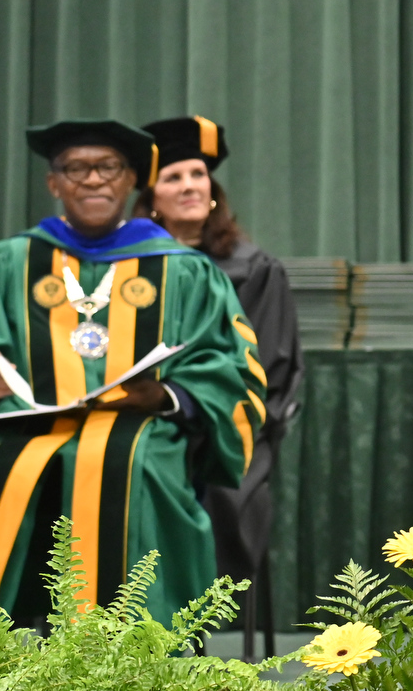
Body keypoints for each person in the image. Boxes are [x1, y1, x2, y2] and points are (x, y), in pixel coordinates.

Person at [0, 120, 267, 624]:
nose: (92, 180)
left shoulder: (184, 270)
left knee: (136, 463)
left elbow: (232, 368)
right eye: (76, 169)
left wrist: (166, 396)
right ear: (53, 183)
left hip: (137, 429)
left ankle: (137, 660)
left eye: (107, 168)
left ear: (131, 180)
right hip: (18, 427)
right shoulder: (5, 261)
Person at [136, 116, 302, 600]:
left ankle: (190, 608)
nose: (189, 185)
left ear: (213, 190)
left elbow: (270, 366)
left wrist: (203, 409)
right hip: (142, 416)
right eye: (173, 177)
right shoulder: (131, 269)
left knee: (196, 467)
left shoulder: (254, 269)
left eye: (197, 175)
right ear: (151, 199)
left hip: (228, 422)